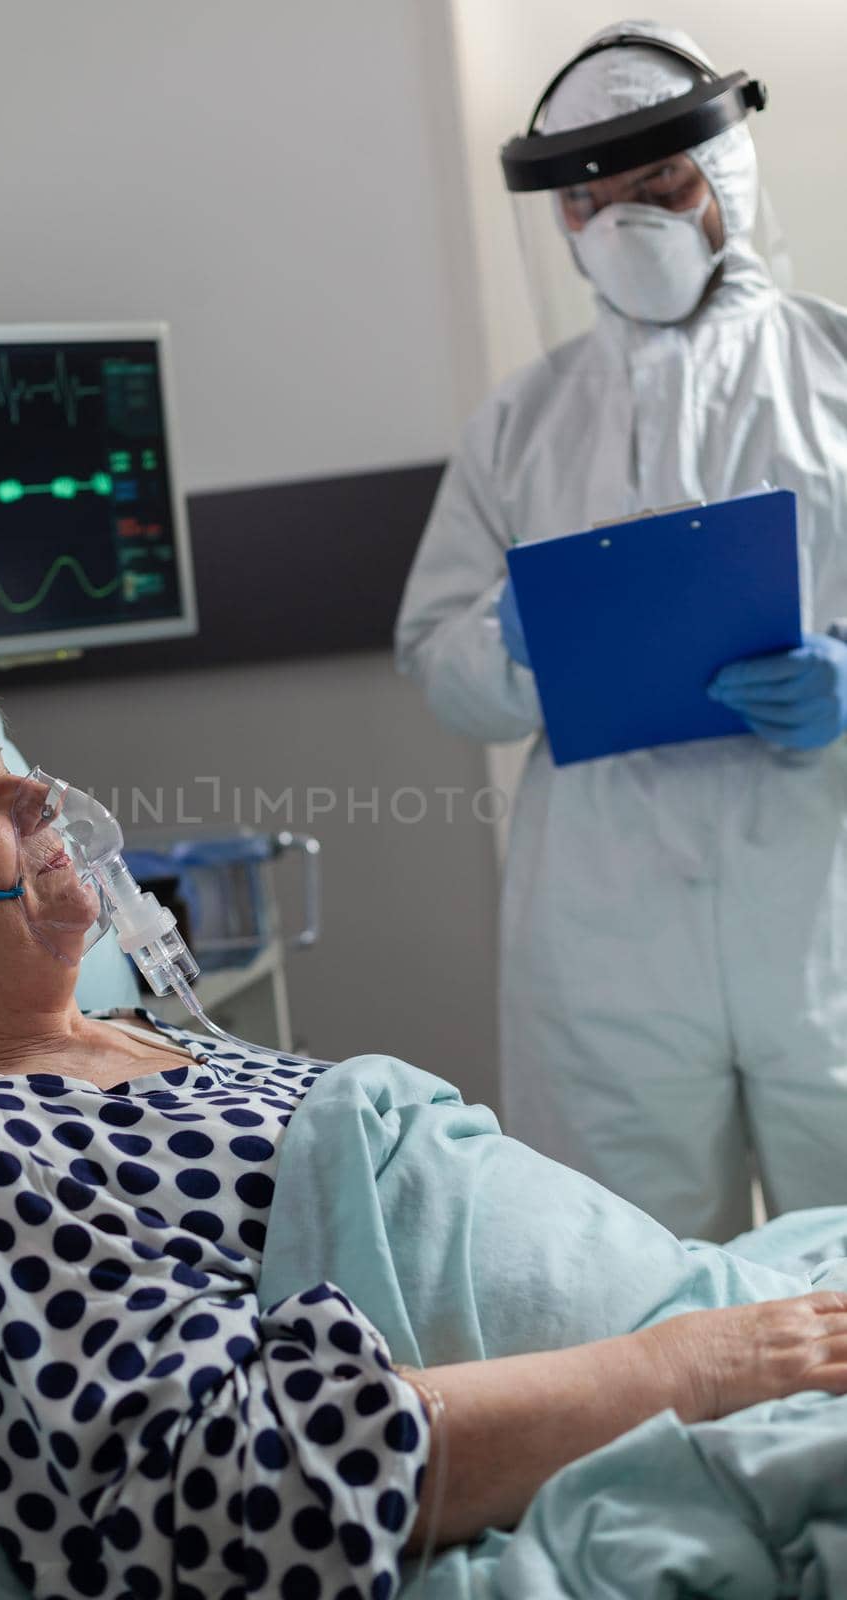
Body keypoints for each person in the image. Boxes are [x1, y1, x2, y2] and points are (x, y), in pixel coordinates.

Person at [0, 667, 847, 1597]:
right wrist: (702, 1364)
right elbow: (218, 1503)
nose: (40, 792)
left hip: (715, 1322)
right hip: (676, 1412)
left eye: (12, 765)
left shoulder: (140, 1034)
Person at [396, 19, 847, 1242]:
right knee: (625, 1278)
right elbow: (436, 658)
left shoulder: (834, 369)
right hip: (603, 930)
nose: (621, 225)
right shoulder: (521, 424)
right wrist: (512, 644)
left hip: (823, 899)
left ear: (726, 178)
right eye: (586, 201)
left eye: (657, 187)